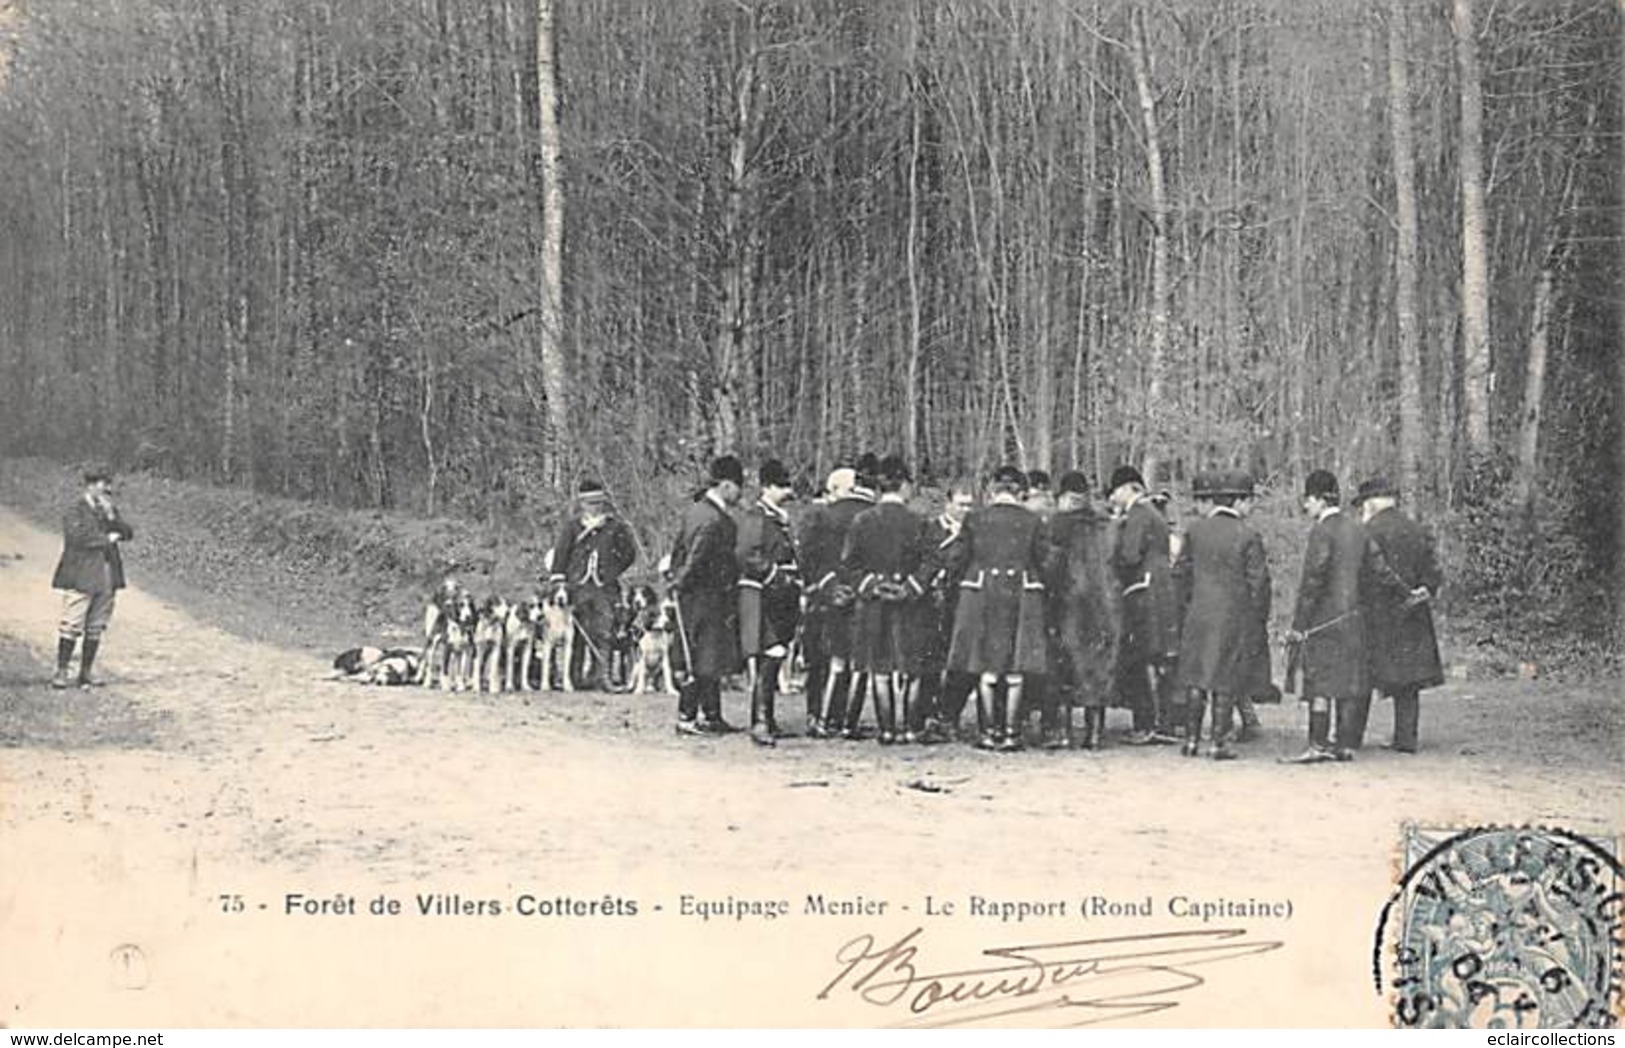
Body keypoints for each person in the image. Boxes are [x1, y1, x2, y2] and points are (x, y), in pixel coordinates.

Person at [946, 465, 1049, 751]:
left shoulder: (975, 519)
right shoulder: (1032, 520)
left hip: (982, 595)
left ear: (993, 489)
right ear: (1020, 491)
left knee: (985, 664)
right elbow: (1045, 560)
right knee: (1016, 667)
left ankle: (989, 732)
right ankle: (1012, 732)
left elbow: (957, 559)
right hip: (1022, 596)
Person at [1173, 471, 1271, 760]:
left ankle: (1191, 741)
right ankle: (1219, 742)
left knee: (1196, 676)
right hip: (1232, 616)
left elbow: (1180, 575)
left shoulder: (1194, 530)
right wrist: (1257, 618)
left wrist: (1186, 609)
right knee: (1225, 678)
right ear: (1238, 500)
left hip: (1198, 614)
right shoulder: (1248, 534)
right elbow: (1259, 583)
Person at [1282, 470, 1368, 763]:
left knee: (1319, 684)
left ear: (1318, 499)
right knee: (1346, 682)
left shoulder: (1321, 531)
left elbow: (1313, 581)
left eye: (1307, 500)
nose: (1306, 507)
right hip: (1354, 618)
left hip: (1324, 621)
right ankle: (1344, 746)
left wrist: (1299, 625)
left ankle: (1318, 744)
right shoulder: (1357, 529)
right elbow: (1378, 570)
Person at [843, 455, 929, 744]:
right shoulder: (918, 521)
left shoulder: (862, 520)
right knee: (912, 668)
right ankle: (912, 728)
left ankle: (887, 729)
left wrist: (873, 585)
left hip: (874, 604)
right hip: (910, 603)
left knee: (880, 669)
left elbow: (850, 564)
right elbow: (931, 562)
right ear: (904, 485)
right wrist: (911, 587)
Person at [1354, 476, 1444, 754]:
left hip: (1375, 614)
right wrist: (1422, 591)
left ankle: (1352, 736)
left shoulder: (1366, 531)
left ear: (1371, 502)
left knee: (1363, 677)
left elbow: (1359, 575)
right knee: (1409, 679)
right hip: (1412, 612)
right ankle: (1406, 738)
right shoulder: (1417, 529)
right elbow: (1433, 575)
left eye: (1363, 504)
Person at [1043, 471, 1120, 749]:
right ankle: (1095, 734)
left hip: (1069, 600)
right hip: (1105, 604)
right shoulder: (1106, 524)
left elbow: (1051, 566)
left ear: (1064, 497)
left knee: (1063, 664)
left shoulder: (1058, 524)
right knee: (1097, 666)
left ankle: (1062, 732)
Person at [668, 456, 745, 736]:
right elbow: (696, 558)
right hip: (707, 595)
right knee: (702, 656)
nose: (740, 494)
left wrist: (675, 579)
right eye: (738, 487)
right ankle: (688, 717)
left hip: (695, 596)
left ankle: (711, 715)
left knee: (704, 654)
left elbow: (678, 551)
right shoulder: (715, 519)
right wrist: (681, 581)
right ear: (725, 485)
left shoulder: (695, 511)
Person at [800, 464, 876, 738]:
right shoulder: (872, 515)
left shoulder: (820, 515)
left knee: (828, 659)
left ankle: (821, 717)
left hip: (828, 596)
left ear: (835, 489)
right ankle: (848, 722)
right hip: (864, 595)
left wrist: (827, 585)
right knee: (858, 662)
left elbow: (808, 558)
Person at [1107, 465, 1181, 744]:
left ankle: (1146, 723)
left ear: (1129, 488)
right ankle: (1166, 723)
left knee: (1139, 658)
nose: (1113, 497)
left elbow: (1129, 556)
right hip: (1161, 590)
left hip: (1143, 591)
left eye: (1115, 491)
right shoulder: (1155, 514)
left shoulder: (1138, 514)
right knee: (1161, 659)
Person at [548, 479, 639, 690]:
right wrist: (560, 577)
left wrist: (611, 570)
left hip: (604, 587)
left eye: (598, 502)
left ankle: (602, 676)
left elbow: (629, 554)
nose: (594, 507)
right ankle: (575, 677)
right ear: (581, 504)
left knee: (604, 631)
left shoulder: (615, 526)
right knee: (577, 632)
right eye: (590, 503)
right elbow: (561, 553)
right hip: (577, 586)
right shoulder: (572, 526)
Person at [51, 464, 135, 689]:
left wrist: (112, 519)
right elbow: (77, 539)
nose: (107, 489)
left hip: (107, 572)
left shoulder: (108, 510)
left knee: (96, 624)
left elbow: (128, 533)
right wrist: (107, 539)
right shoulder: (75, 509)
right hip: (81, 572)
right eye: (103, 484)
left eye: (107, 484)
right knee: (72, 622)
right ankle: (61, 671)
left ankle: (86, 672)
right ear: (91, 485)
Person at [736, 459, 801, 747]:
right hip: (763, 593)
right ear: (766, 487)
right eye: (780, 487)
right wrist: (775, 575)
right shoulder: (756, 516)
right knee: (770, 653)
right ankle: (760, 721)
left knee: (777, 653)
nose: (786, 492)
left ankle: (767, 718)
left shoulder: (777, 517)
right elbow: (747, 555)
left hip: (781, 593)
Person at [916, 480, 976, 742]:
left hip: (961, 604)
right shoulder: (929, 529)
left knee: (960, 666)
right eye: (961, 504)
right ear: (948, 503)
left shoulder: (974, 532)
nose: (965, 510)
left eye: (970, 505)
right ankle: (924, 716)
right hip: (931, 605)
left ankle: (949, 715)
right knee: (930, 662)